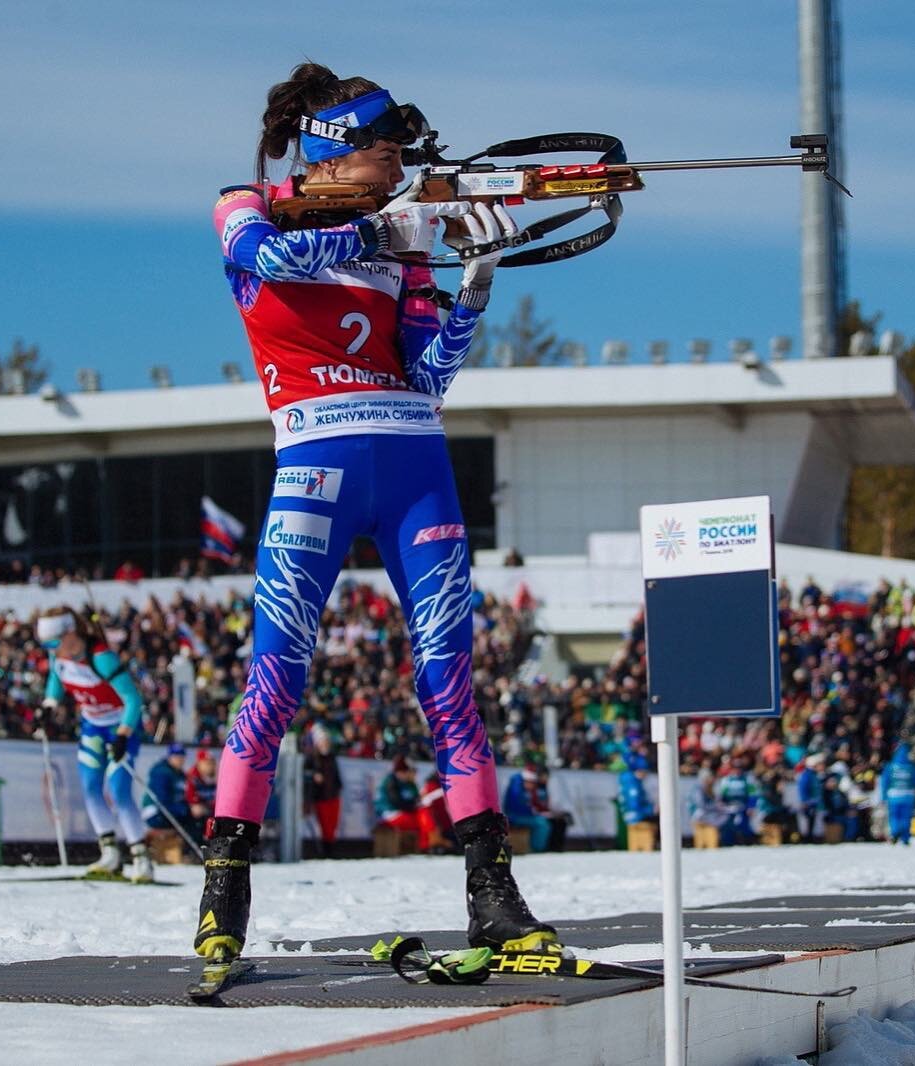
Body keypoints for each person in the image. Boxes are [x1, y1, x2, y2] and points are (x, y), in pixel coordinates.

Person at [194, 63, 553, 964]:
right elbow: (262, 258)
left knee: (450, 679)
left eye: (400, 156)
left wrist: (473, 272)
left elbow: (430, 377)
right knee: (274, 677)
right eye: (384, 152)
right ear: (334, 150)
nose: (398, 168)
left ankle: (492, 892)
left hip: (415, 464)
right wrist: (386, 227)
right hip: (314, 460)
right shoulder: (249, 204)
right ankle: (224, 890)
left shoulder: (409, 242)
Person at [37, 608, 154, 882]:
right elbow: (55, 682)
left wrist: (124, 735)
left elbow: (133, 700)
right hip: (92, 726)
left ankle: (140, 856)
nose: (52, 650)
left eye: (54, 643)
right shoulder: (59, 658)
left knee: (119, 790)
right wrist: (49, 704)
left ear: (70, 634)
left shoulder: (100, 658)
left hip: (120, 725)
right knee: (90, 786)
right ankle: (110, 852)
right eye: (47, 645)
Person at [374, 754, 440, 850]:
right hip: (390, 814)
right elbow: (396, 802)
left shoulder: (409, 783)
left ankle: (429, 843)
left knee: (424, 814)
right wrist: (414, 805)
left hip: (405, 813)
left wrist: (418, 801)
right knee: (423, 817)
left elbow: (416, 799)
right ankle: (429, 843)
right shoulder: (391, 781)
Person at [143, 742, 197, 842]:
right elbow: (162, 801)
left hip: (171, 810)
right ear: (170, 757)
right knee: (190, 822)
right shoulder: (161, 773)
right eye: (176, 756)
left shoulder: (180, 774)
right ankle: (190, 852)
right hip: (155, 813)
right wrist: (187, 810)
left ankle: (191, 850)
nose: (179, 760)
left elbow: (184, 797)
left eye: (181, 756)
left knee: (197, 819)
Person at [304, 726, 343, 856]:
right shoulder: (312, 758)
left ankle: (331, 848)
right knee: (325, 825)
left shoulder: (332, 757)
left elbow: (336, 774)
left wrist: (338, 787)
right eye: (322, 741)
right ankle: (326, 850)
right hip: (321, 796)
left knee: (333, 825)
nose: (325, 744)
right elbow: (305, 772)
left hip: (333, 794)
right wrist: (314, 775)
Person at [879, 743, 915, 846]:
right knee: (906, 817)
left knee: (894, 816)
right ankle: (905, 837)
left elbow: (884, 781)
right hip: (908, 796)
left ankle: (895, 833)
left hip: (893, 796)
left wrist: (883, 796)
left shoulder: (890, 766)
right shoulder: (911, 766)